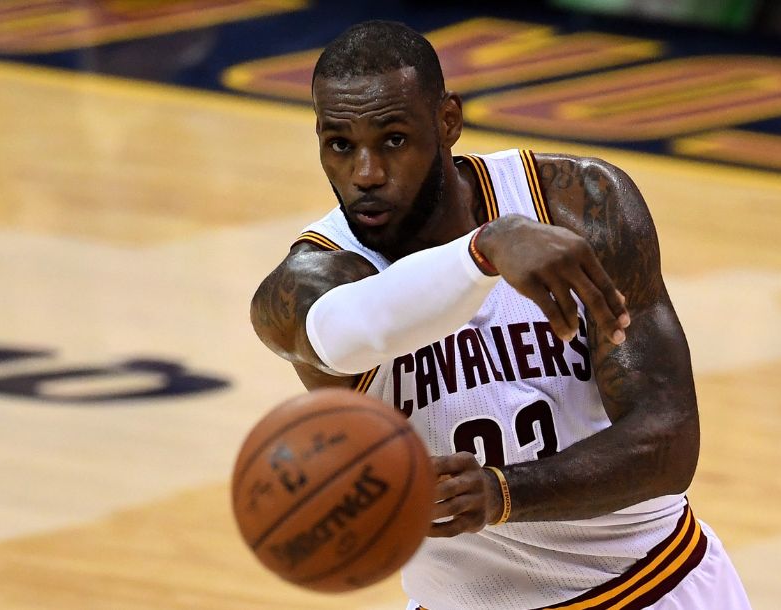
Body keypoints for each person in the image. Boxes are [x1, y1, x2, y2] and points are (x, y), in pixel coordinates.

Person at [250, 20, 751, 610]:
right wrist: (483, 251)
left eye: (392, 140)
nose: (366, 174)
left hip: (646, 587)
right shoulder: (309, 282)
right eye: (340, 145)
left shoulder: (577, 204)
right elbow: (348, 333)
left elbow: (667, 440)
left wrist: (504, 492)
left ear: (448, 122)